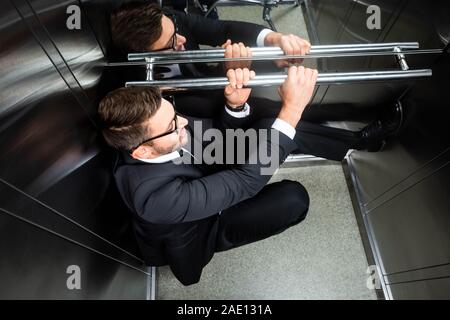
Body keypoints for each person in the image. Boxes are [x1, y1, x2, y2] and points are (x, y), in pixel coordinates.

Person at [98, 66, 323, 285]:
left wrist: (235, 106)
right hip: (201, 228)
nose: (184, 121)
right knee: (294, 199)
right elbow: (245, 183)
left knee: (266, 130)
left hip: (204, 179)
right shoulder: (152, 198)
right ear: (143, 151)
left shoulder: (161, 130)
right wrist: (292, 109)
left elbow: (212, 137)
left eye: (175, 114)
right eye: (173, 124)